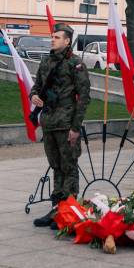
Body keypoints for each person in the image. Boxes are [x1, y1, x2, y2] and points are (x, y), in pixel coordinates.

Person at [30, 23, 91, 227]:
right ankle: (57, 209)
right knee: (56, 166)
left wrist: (75, 128)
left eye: (57, 37)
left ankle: (70, 211)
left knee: (69, 167)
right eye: (52, 36)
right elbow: (36, 86)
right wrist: (35, 97)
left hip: (66, 124)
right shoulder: (46, 61)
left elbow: (84, 98)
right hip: (49, 122)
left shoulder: (76, 63)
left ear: (67, 41)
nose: (52, 39)